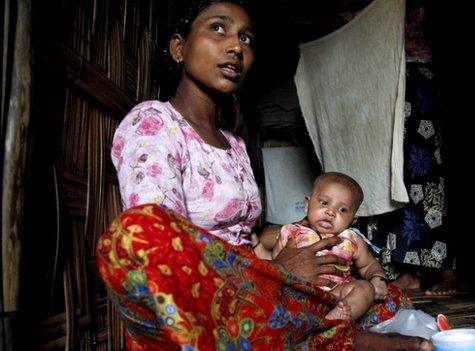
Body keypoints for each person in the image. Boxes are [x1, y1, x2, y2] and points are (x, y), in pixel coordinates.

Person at [97, 1, 434, 350]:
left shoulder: (235, 144)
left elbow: (250, 238)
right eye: (218, 28)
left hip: (260, 284)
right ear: (179, 48)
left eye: (246, 38)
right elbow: (161, 242)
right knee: (136, 233)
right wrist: (277, 273)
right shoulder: (155, 123)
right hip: (204, 294)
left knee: (382, 294)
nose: (235, 47)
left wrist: (300, 244)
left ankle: (311, 332)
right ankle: (328, 337)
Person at [268, 172, 389, 321]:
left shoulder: (351, 239)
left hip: (336, 295)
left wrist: (378, 278)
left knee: (365, 289)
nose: (331, 212)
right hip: (298, 293)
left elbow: (368, 265)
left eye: (342, 210)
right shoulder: (290, 232)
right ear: (307, 204)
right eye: (324, 203)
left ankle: (335, 321)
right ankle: (308, 321)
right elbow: (277, 264)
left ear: (353, 219)